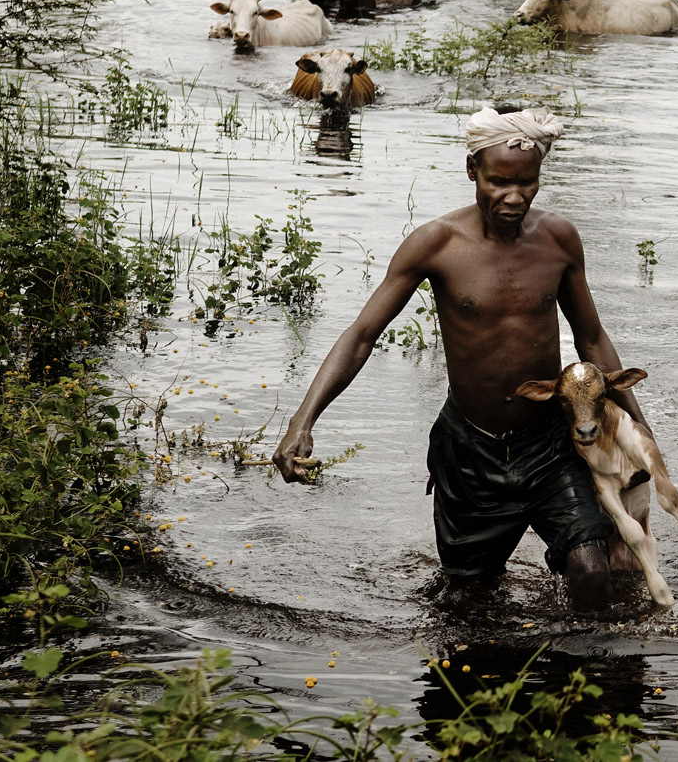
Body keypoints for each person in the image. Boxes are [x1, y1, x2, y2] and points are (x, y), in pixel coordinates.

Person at [273, 106, 647, 609]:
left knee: (591, 569)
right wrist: (303, 419)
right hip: (470, 452)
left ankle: (587, 676)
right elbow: (362, 335)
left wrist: (639, 431)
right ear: (472, 171)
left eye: (527, 184)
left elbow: (593, 338)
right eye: (498, 182)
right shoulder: (437, 244)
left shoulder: (558, 240)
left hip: (550, 445)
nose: (514, 198)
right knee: (469, 598)